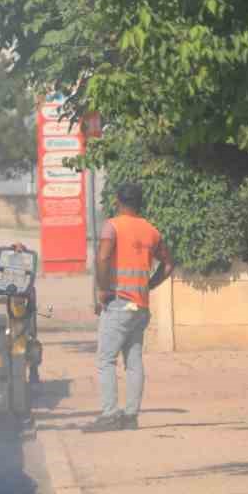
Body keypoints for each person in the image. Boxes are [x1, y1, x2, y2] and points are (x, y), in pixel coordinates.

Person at [85, 182, 172, 433]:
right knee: (134, 362)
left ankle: (110, 415)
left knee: (106, 360)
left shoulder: (112, 226)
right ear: (139, 202)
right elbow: (168, 265)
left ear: (117, 201)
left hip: (119, 302)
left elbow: (102, 258)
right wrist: (149, 285)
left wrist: (102, 290)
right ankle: (131, 416)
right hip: (140, 305)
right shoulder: (151, 231)